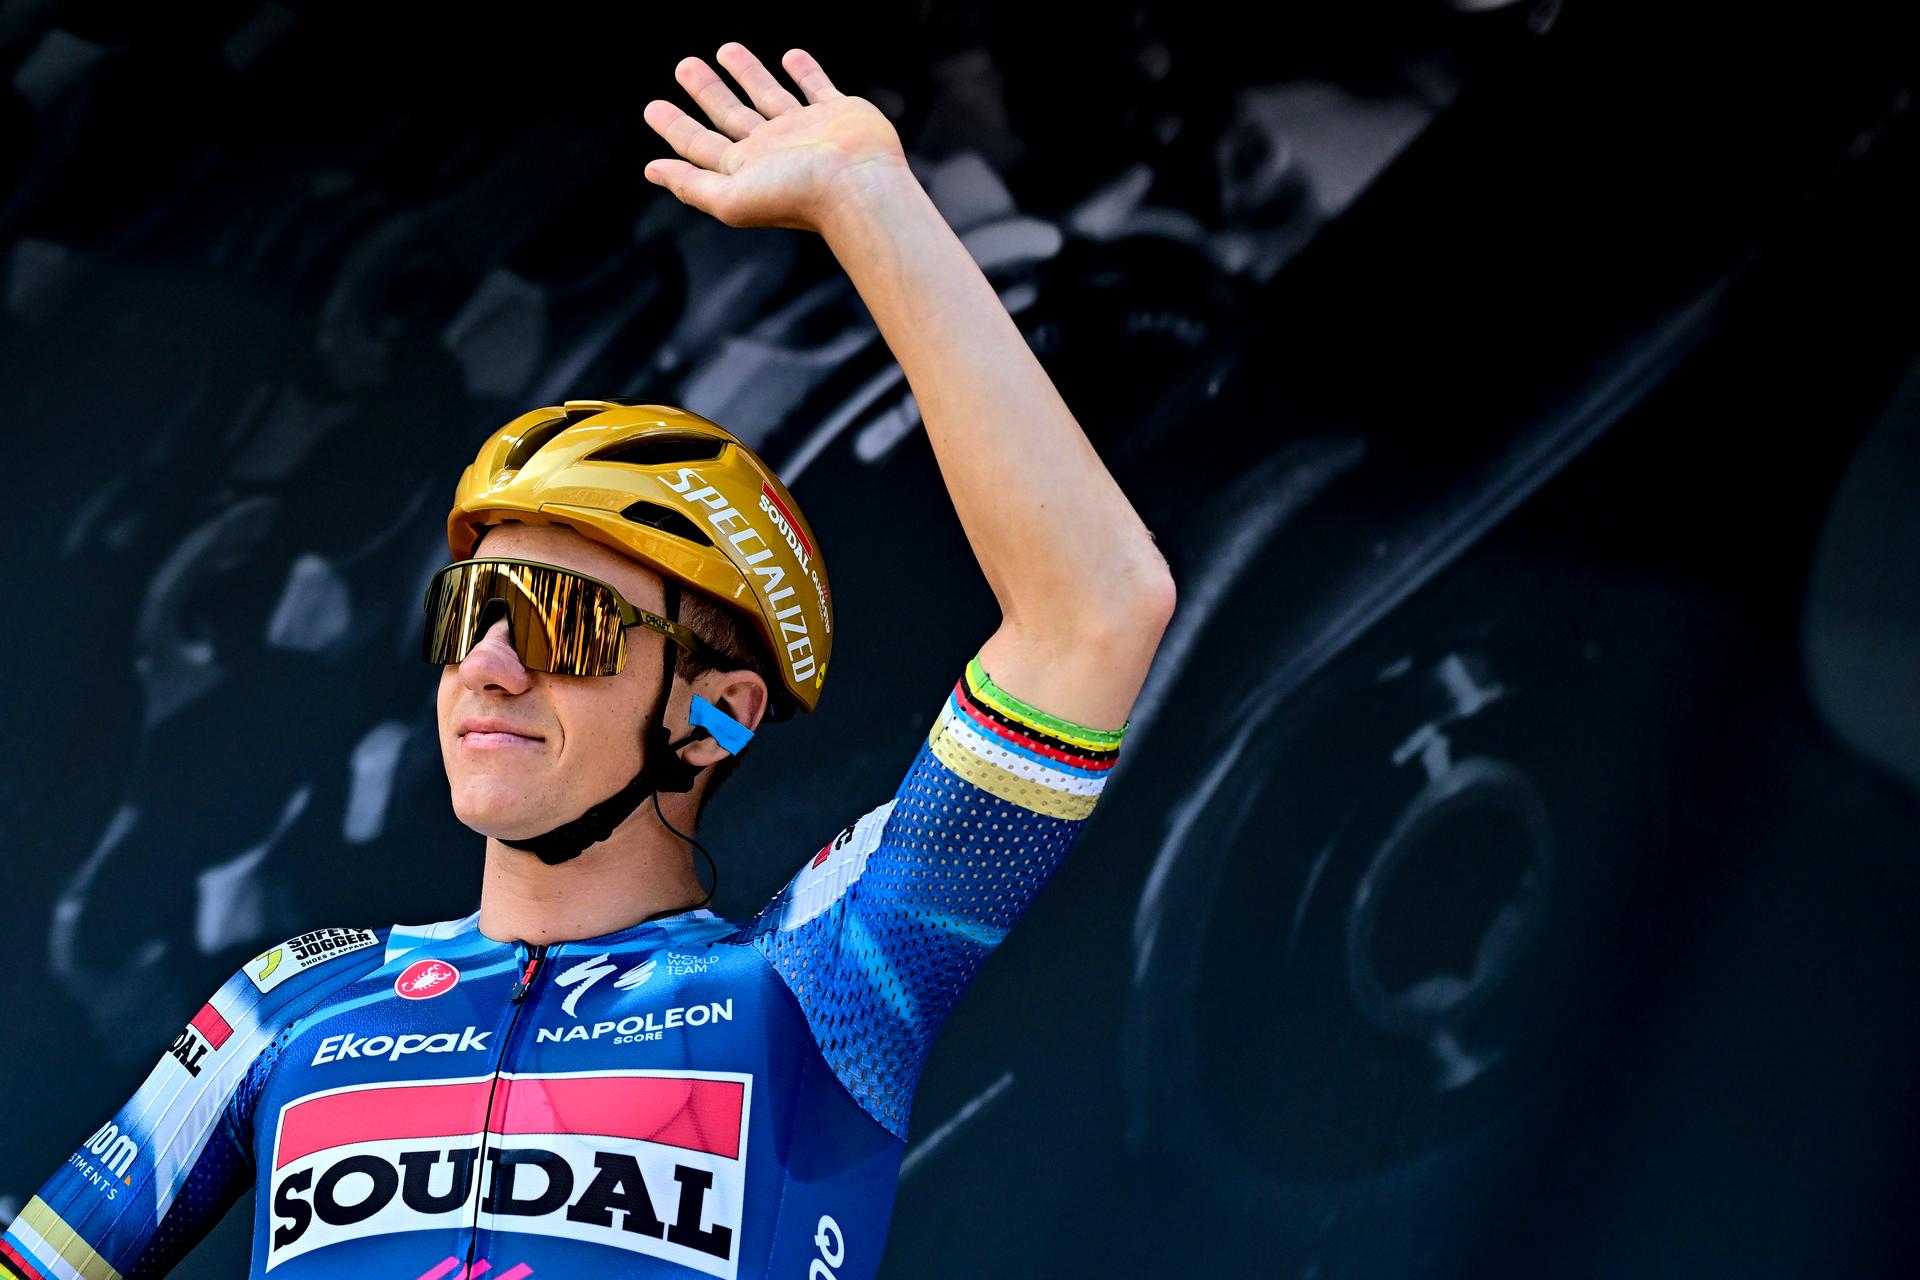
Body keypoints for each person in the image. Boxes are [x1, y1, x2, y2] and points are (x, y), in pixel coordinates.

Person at [0, 41, 1174, 1280]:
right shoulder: (292, 998)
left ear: (716, 712)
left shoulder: (820, 980)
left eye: (562, 622)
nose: (490, 664)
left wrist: (869, 202)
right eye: (470, 610)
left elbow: (1093, 611)